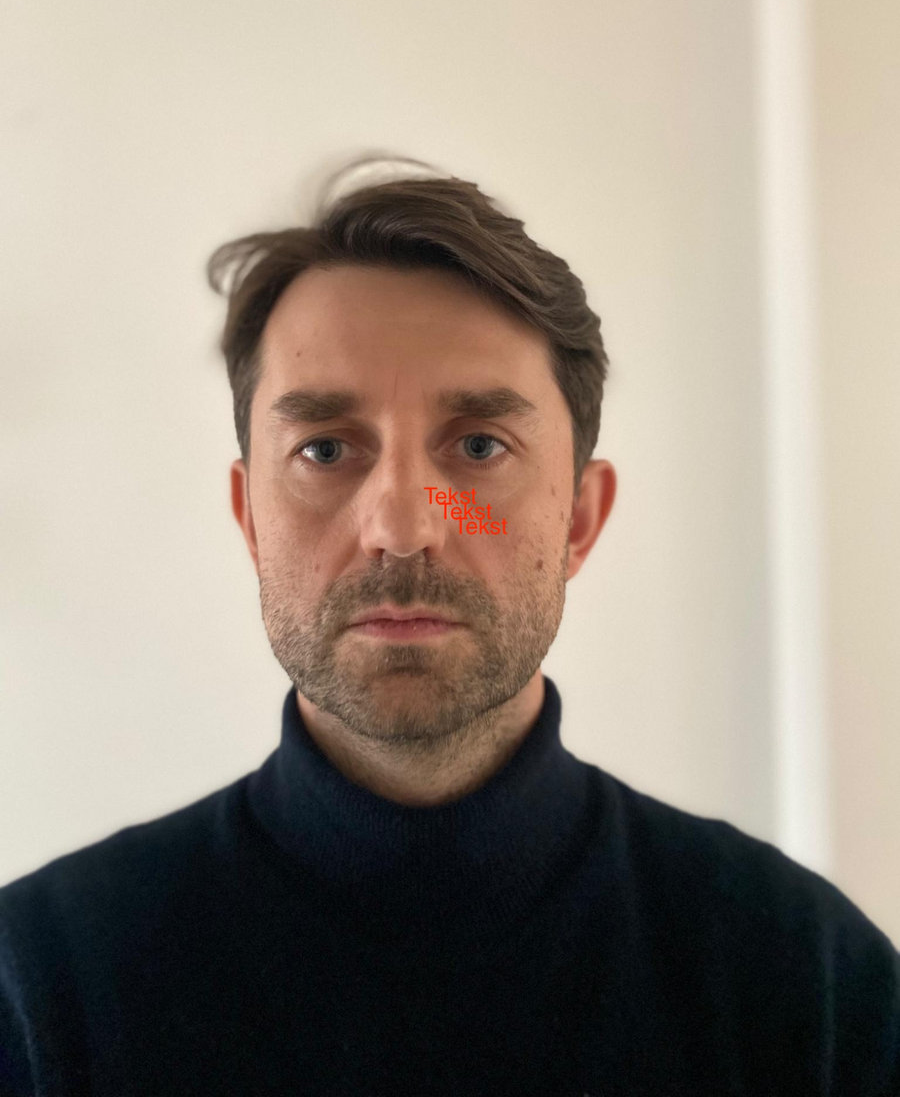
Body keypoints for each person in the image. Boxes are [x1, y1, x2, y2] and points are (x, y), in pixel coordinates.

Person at [0, 155, 897, 1097]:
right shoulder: (45, 990)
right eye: (325, 449)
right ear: (251, 519)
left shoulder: (805, 982)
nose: (403, 526)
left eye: (477, 446)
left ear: (580, 519)